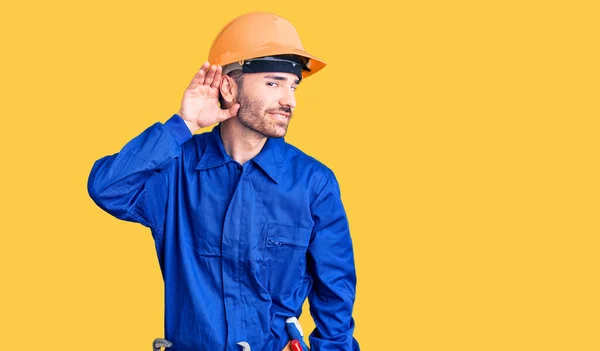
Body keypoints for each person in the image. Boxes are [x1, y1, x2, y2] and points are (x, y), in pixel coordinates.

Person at [87, 12, 359, 351]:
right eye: (274, 83)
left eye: (293, 86)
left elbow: (335, 297)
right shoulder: (176, 170)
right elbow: (107, 188)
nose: (289, 100)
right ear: (229, 87)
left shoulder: (313, 184)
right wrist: (183, 125)